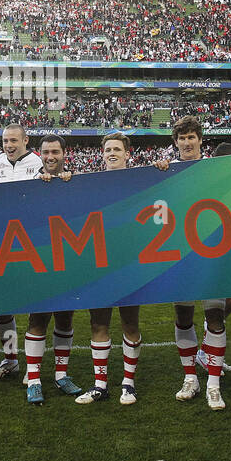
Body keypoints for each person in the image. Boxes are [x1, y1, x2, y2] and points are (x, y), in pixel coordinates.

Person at [162, 116, 231, 411]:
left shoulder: (216, 171)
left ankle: (214, 386)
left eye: (192, 137)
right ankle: (190, 378)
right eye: (182, 138)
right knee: (183, 318)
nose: (187, 142)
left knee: (215, 318)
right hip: (179, 257)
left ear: (200, 140)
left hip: (212, 254)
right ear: (175, 142)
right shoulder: (165, 171)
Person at [76, 132, 144, 406]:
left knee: (130, 322)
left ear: (127, 153)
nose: (112, 153)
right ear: (102, 154)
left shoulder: (141, 179)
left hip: (130, 264)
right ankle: (100, 384)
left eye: (117, 148)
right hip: (100, 264)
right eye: (108, 149)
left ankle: (128, 384)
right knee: (98, 323)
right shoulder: (91, 183)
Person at [0, 124, 43, 380]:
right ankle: (11, 358)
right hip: (1, 245)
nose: (9, 145)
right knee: (3, 306)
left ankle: (33, 366)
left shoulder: (39, 164)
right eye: (5, 140)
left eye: (14, 140)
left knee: (34, 306)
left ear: (26, 140)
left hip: (32, 244)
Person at [24, 133, 84, 404]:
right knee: (37, 319)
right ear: (40, 154)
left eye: (55, 152)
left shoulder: (75, 181)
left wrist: (69, 187)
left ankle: (61, 375)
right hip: (38, 260)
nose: (50, 157)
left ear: (63, 154)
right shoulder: (29, 183)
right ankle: (33, 378)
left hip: (68, 260)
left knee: (65, 318)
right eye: (46, 152)